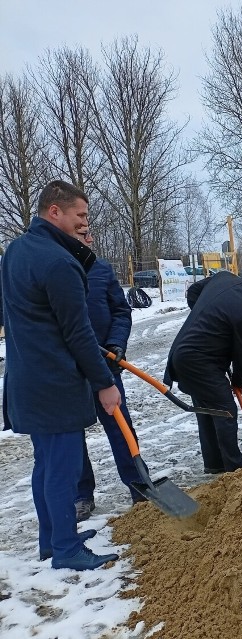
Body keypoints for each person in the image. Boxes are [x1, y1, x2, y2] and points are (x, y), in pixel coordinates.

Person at [1, 180, 120, 570]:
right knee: (63, 469)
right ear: (56, 211)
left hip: (26, 379)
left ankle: (52, 539)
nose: (84, 223)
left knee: (45, 464)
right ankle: (66, 550)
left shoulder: (16, 251)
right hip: (55, 384)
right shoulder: (59, 261)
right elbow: (78, 331)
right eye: (80, 215)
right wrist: (104, 382)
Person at [165, 270, 242, 473]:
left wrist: (209, 319)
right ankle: (235, 469)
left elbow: (194, 292)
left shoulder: (224, 277)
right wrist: (239, 381)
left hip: (184, 354)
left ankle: (215, 463)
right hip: (199, 361)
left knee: (208, 409)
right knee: (225, 410)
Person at [75, 231, 146, 522]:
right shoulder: (53, 268)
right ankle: (81, 494)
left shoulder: (101, 269)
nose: (89, 238)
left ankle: (139, 486)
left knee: (120, 427)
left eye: (90, 233)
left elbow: (120, 310)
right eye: (81, 233)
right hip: (69, 371)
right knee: (72, 435)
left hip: (105, 364)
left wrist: (117, 343)